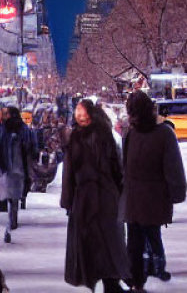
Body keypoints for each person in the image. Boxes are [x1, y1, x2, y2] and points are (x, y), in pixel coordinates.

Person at [61, 99, 129, 293]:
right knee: (109, 239)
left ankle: (100, 280)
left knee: (92, 241)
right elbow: (117, 167)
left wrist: (68, 199)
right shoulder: (105, 134)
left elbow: (70, 171)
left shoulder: (77, 138)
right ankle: (110, 282)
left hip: (86, 198)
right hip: (104, 195)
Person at [121, 91, 187, 289]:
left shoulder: (133, 134)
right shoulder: (162, 134)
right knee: (148, 235)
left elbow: (124, 166)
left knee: (136, 240)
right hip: (152, 197)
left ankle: (138, 279)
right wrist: (176, 193)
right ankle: (150, 271)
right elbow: (173, 167)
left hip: (136, 198)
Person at [0, 105, 34, 243]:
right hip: (17, 168)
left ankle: (8, 223)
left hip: (6, 168)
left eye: (7, 113)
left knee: (7, 197)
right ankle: (11, 221)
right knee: (13, 197)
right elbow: (31, 147)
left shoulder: (2, 130)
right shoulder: (22, 130)